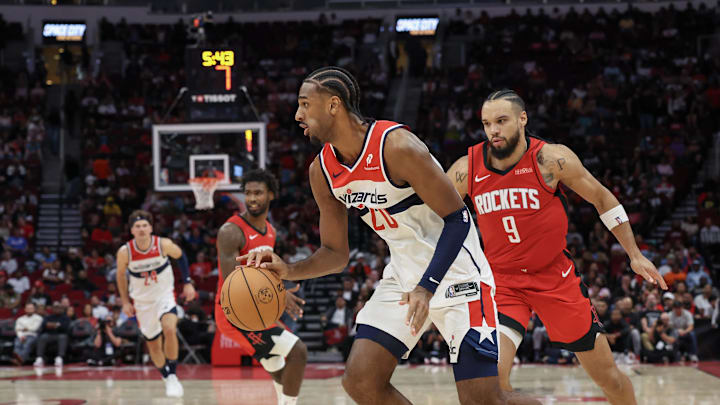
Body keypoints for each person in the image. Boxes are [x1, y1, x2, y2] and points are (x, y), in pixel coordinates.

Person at [245, 67, 537, 405]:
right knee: (361, 381)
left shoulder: (396, 146)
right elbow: (335, 253)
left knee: (484, 401)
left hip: (458, 273)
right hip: (404, 277)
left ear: (334, 105)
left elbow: (458, 218)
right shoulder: (322, 171)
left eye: (305, 104)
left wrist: (427, 287)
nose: (298, 115)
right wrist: (289, 269)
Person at [447, 89, 667, 405]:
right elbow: (434, 215)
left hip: (554, 279)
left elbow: (602, 198)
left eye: (501, 121)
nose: (493, 130)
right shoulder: (466, 169)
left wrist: (634, 254)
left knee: (610, 380)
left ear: (522, 119)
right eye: (486, 123)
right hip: (503, 284)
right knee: (490, 382)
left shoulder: (550, 159)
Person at [215, 169, 308, 405]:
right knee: (298, 352)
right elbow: (232, 286)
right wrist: (279, 293)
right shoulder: (230, 232)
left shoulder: (271, 231)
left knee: (277, 366)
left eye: (258, 193)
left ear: (271, 195)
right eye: (248, 193)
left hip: (255, 305)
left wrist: (280, 290)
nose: (252, 198)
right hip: (233, 312)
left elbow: (263, 274)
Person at [116, 209, 197, 398]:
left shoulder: (163, 244)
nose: (142, 229)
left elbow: (181, 256)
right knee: (153, 345)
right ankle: (166, 375)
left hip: (164, 296)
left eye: (145, 225)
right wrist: (125, 302)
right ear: (132, 230)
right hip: (142, 302)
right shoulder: (125, 252)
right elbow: (120, 276)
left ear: (151, 228)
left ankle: (174, 375)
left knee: (169, 328)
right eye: (137, 226)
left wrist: (187, 282)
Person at [34, 301, 71, 367]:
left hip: (60, 335)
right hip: (49, 334)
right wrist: (57, 325)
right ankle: (39, 358)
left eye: (59, 308)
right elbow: (44, 325)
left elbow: (65, 327)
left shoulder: (65, 317)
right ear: (52, 309)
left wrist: (53, 325)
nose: (57, 309)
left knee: (63, 337)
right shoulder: (48, 317)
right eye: (55, 308)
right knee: (42, 337)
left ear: (62, 309)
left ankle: (59, 358)